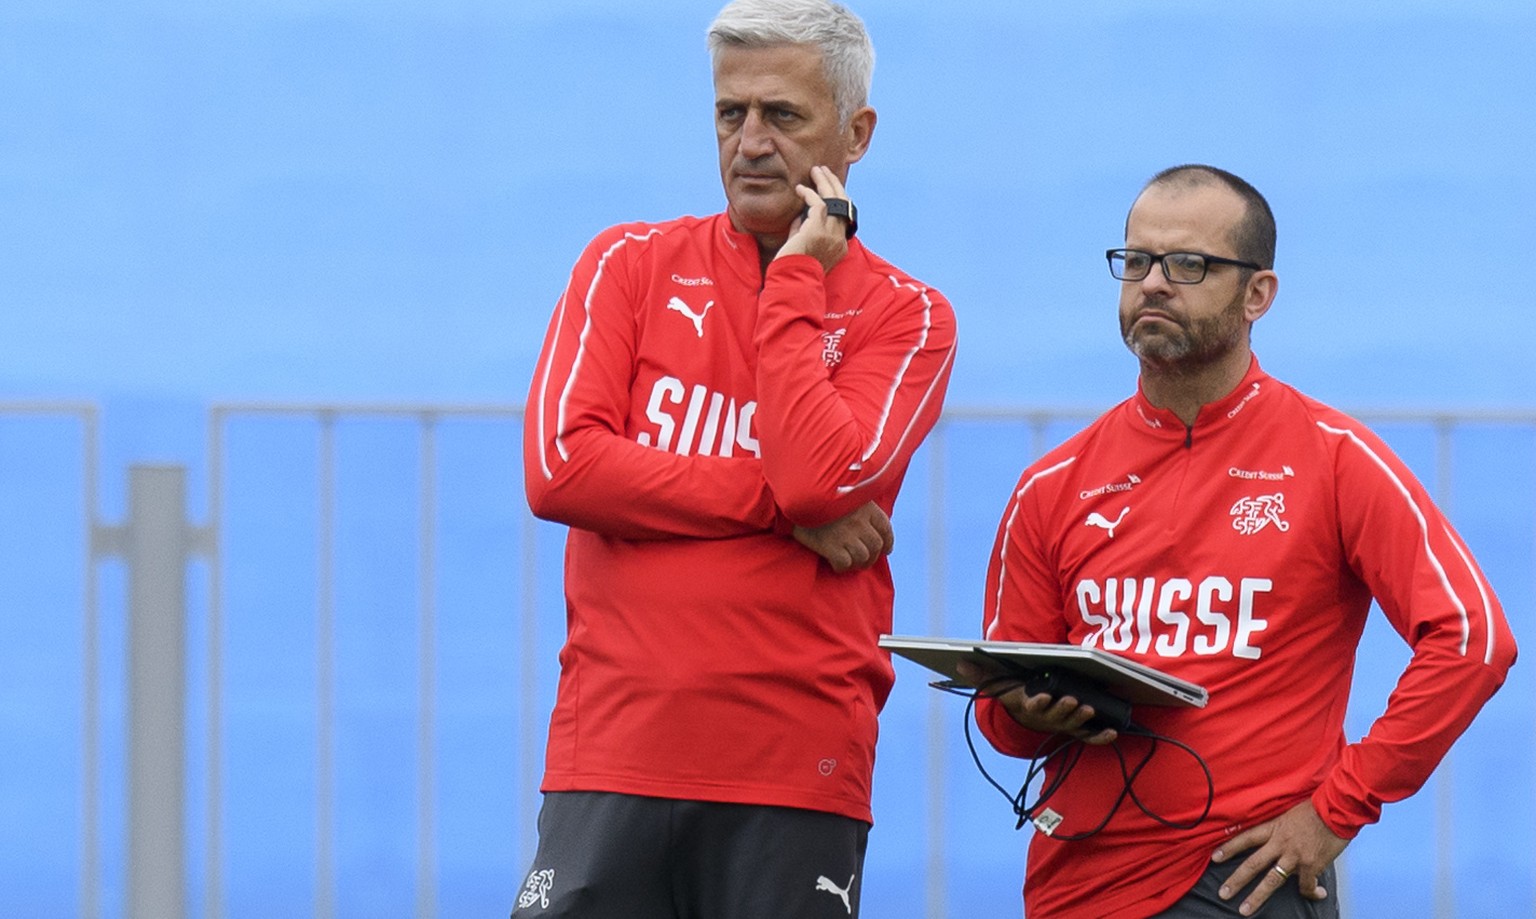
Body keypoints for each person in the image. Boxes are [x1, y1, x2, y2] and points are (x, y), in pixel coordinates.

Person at [966, 164, 1515, 918]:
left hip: (1241, 879)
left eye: (1188, 264)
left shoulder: (1333, 457)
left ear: (1259, 294)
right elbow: (1001, 723)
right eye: (1136, 260)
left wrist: (1336, 810)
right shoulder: (1050, 483)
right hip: (1074, 883)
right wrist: (1031, 709)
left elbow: (1473, 639)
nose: (1154, 283)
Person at [514, 0, 957, 916]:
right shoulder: (627, 264)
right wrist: (782, 508)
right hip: (613, 754)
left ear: (857, 132)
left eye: (783, 117)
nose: (750, 142)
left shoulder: (908, 316)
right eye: (730, 114)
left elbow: (821, 479)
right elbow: (561, 469)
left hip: (794, 769)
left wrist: (797, 275)